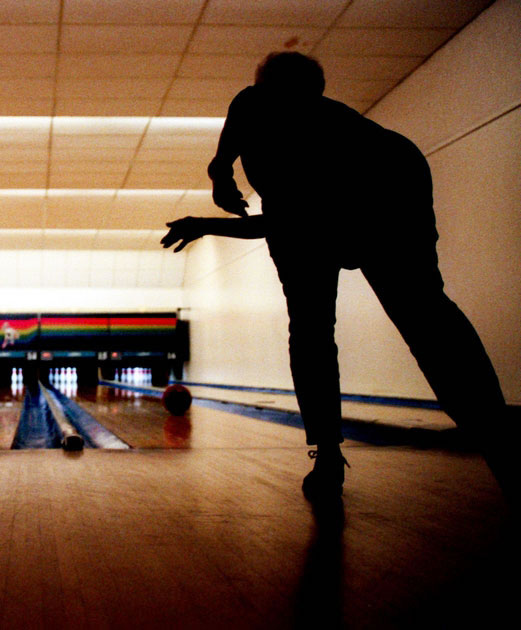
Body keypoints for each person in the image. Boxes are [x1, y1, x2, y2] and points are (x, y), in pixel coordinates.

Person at [162, 52, 513, 504]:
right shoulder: (254, 107)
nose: (270, 103)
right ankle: (334, 453)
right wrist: (220, 173)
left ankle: (492, 437)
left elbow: (285, 221)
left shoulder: (331, 146)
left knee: (405, 321)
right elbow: (241, 146)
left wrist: (206, 220)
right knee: (408, 319)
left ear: (314, 97)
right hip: (389, 174)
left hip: (387, 193)